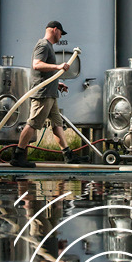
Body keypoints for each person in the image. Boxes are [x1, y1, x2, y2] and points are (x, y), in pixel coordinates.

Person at [10, 20, 88, 168]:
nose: (61, 36)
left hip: (50, 92)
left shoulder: (49, 47)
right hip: (43, 93)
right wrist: (58, 66)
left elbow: (44, 72)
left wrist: (56, 83)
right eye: (61, 33)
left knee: (57, 124)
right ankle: (18, 155)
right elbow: (37, 64)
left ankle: (68, 155)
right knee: (33, 123)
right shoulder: (43, 45)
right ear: (55, 30)